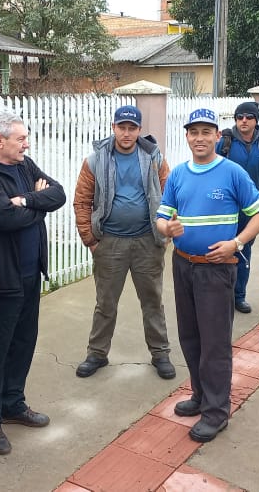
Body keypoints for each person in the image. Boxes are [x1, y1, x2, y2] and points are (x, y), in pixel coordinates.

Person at [156, 108, 259, 443]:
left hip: (217, 270)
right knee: (190, 337)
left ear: (217, 137)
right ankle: (200, 396)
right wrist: (169, 228)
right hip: (183, 264)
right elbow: (162, 218)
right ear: (187, 136)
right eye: (194, 132)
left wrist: (236, 243)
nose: (200, 138)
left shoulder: (232, 173)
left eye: (207, 132)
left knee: (215, 344)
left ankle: (217, 412)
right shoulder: (178, 174)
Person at [0, 111, 67, 455]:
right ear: (0, 140)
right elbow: (5, 219)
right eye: (21, 138)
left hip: (29, 274)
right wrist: (35, 206)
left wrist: (27, 200)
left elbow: (59, 193)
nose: (28, 144)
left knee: (23, 343)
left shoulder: (25, 165)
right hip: (1, 278)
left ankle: (13, 404)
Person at [73, 105, 174, 379]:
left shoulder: (154, 158)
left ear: (139, 130)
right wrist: (90, 239)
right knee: (105, 303)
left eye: (132, 128)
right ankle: (97, 353)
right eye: (122, 127)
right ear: (114, 127)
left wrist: (163, 235)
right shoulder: (95, 160)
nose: (126, 133)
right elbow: (82, 201)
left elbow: (169, 196)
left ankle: (160, 353)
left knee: (152, 301)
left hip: (147, 242)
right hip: (110, 244)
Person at [216, 100, 259, 314]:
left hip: (251, 209)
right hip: (227, 207)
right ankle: (223, 295)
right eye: (240, 117)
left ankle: (239, 296)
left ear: (256, 120)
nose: (243, 121)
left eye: (248, 117)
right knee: (225, 249)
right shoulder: (226, 142)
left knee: (244, 249)